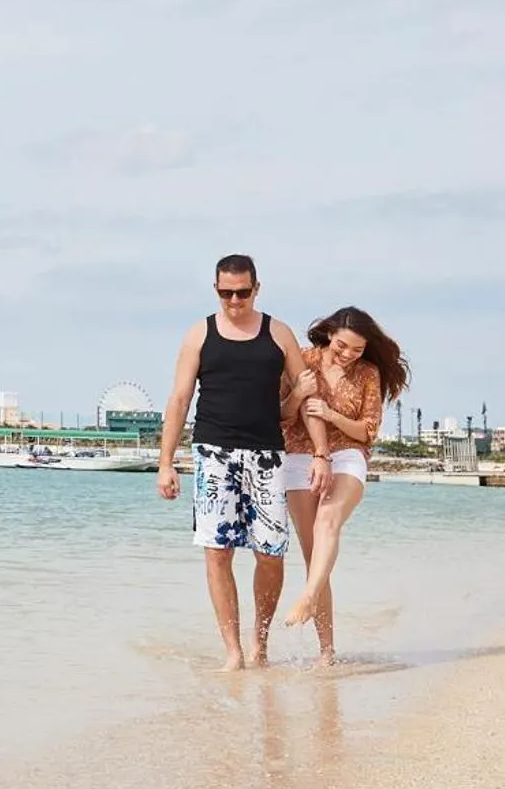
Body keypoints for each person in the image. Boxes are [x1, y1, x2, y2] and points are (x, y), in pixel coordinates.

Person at [157, 255, 323, 670]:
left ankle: (260, 644)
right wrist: (166, 462)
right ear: (216, 289)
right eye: (226, 292)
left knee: (271, 554)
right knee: (217, 553)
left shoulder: (278, 333)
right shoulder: (199, 334)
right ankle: (233, 652)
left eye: (242, 292)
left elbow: (306, 401)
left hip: (267, 455)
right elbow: (179, 400)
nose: (235, 300)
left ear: (257, 288)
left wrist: (321, 454)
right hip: (213, 454)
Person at [280, 306, 411, 654]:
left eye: (357, 349)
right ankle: (327, 653)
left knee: (329, 520)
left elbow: (367, 432)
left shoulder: (368, 373)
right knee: (315, 559)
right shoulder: (302, 360)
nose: (348, 355)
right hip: (298, 456)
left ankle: (308, 598)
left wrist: (331, 414)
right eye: (342, 346)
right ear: (329, 334)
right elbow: (282, 418)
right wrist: (296, 395)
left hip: (348, 455)